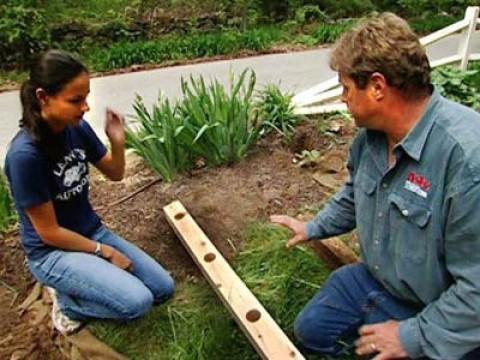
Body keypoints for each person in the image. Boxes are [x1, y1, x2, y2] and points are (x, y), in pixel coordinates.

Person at [272, 12, 480, 360]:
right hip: (381, 281)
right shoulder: (370, 141)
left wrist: (411, 336)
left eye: (346, 88)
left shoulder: (466, 161)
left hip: (449, 315)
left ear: (378, 87)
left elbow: (477, 292)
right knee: (312, 330)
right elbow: (355, 195)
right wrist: (313, 227)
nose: (342, 99)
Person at [5, 50, 175, 335]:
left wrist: (117, 142)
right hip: (52, 252)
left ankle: (86, 281)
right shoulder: (25, 156)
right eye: (75, 100)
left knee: (163, 289)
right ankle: (67, 303)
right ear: (43, 97)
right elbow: (49, 232)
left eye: (86, 97)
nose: (85, 107)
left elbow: (115, 173)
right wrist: (105, 252)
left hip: (90, 232)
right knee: (138, 303)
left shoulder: (77, 129)